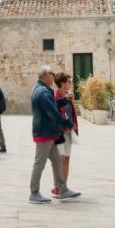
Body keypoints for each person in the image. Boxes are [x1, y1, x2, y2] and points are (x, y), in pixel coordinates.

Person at [28, 68, 80, 204]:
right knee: (39, 163)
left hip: (48, 133)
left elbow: (54, 105)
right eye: (52, 74)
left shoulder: (41, 89)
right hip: (44, 133)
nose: (54, 77)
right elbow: (53, 112)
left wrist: (64, 101)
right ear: (45, 75)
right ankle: (34, 193)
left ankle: (62, 189)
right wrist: (67, 122)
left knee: (57, 161)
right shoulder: (43, 92)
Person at [54, 72, 79, 195]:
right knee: (60, 159)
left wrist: (73, 126)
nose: (71, 84)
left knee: (67, 159)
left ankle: (64, 186)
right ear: (63, 83)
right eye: (69, 82)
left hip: (68, 132)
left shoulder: (68, 96)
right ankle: (58, 187)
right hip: (60, 132)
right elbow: (57, 114)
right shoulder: (56, 96)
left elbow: (71, 113)